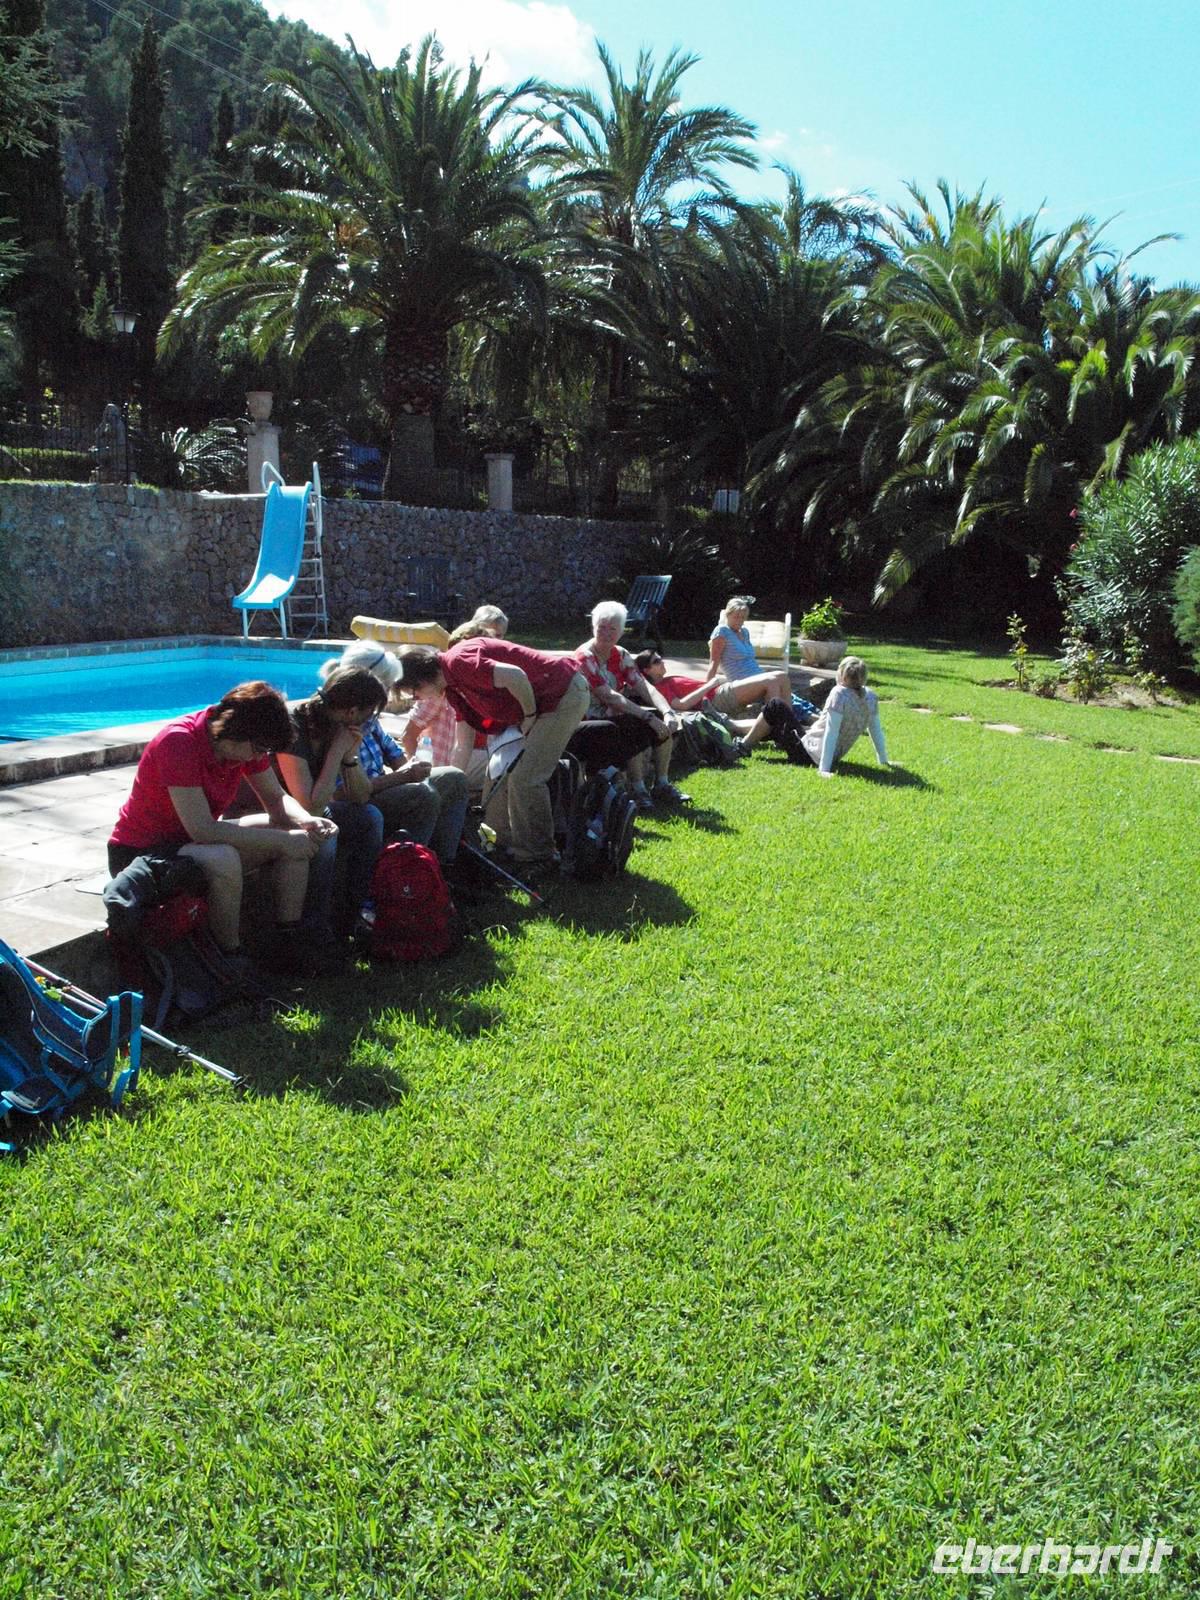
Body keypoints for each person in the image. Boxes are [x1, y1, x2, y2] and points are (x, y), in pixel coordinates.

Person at [107, 680, 335, 973]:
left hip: (188, 844)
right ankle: (230, 958)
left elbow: (276, 798)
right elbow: (202, 829)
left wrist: (306, 820)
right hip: (142, 854)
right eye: (259, 748)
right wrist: (282, 841)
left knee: (294, 835)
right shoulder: (179, 742)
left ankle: (288, 943)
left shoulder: (238, 744)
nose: (259, 757)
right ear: (236, 730)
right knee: (224, 858)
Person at [397, 638, 589, 870]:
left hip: (562, 694)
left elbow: (515, 676)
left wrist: (529, 715)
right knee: (496, 774)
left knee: (526, 778)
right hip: (544, 704)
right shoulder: (454, 689)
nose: (417, 699)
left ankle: (538, 856)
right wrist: (453, 782)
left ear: (421, 678)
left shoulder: (459, 663)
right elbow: (463, 744)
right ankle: (503, 847)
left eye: (414, 693)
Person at [309, 642, 469, 866]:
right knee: (423, 795)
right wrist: (404, 777)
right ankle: (405, 869)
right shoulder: (341, 719)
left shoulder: (369, 714)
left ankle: (441, 864)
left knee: (454, 777)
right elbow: (345, 793)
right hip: (360, 799)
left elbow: (392, 752)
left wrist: (410, 770)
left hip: (381, 786)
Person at [275, 666, 389, 939]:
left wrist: (349, 757)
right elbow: (309, 806)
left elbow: (361, 796)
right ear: (351, 712)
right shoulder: (294, 726)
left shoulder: (337, 727)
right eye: (368, 715)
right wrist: (337, 752)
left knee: (370, 817)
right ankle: (314, 930)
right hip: (281, 812)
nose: (369, 722)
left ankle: (353, 916)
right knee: (325, 837)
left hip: (313, 810)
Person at [573, 601, 689, 808]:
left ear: (621, 631)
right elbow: (608, 696)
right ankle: (638, 789)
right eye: (601, 627)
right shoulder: (584, 656)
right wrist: (647, 716)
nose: (606, 633)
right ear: (593, 627)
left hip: (616, 713)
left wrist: (667, 712)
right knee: (632, 726)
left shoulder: (621, 654)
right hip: (590, 718)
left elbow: (644, 686)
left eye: (612, 629)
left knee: (663, 722)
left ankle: (662, 783)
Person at [799, 655, 891, 776]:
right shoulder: (871, 697)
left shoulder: (839, 694)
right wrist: (883, 760)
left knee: (778, 707)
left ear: (843, 676)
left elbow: (831, 733)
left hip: (808, 751)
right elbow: (876, 730)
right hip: (830, 756)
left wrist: (824, 770)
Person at [707, 595, 791, 713]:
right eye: (736, 617)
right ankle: (775, 719)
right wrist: (707, 691)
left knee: (782, 677)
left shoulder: (744, 632)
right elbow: (713, 662)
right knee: (775, 680)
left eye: (742, 617)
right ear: (728, 615)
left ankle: (787, 718)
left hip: (758, 677)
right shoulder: (722, 632)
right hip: (742, 683)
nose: (740, 621)